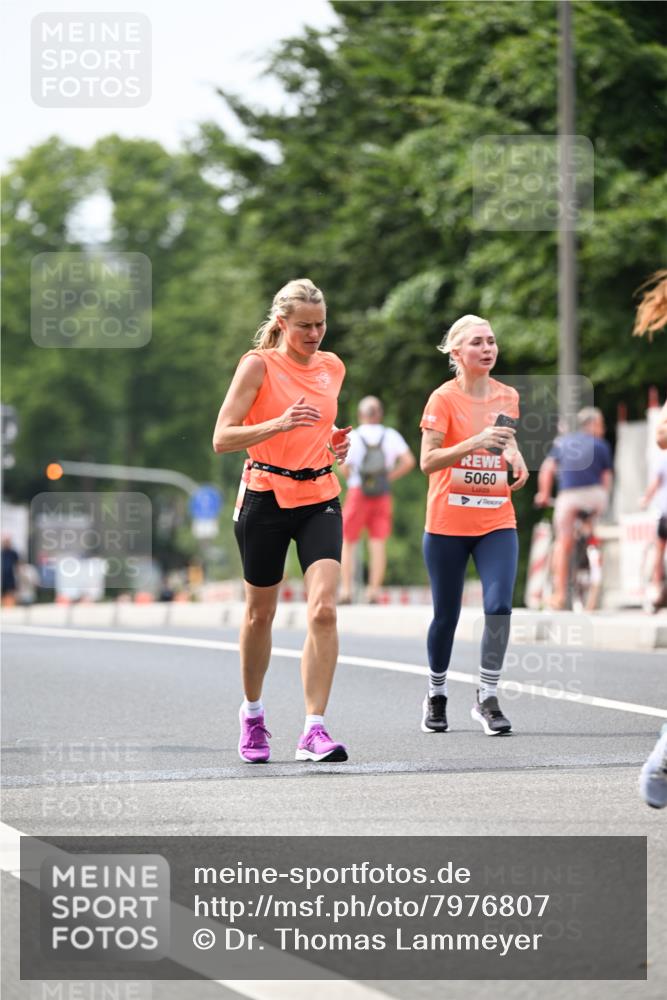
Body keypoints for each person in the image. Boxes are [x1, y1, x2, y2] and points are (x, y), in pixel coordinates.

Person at [212, 278, 352, 765]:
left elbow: (318, 423)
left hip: (320, 495)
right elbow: (222, 437)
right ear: (281, 324)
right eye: (305, 327)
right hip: (264, 496)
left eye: (321, 324)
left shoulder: (332, 367)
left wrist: (334, 442)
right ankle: (252, 714)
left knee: (324, 611)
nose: (315, 334)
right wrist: (277, 424)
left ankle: (314, 728)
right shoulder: (258, 366)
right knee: (259, 615)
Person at [419, 314, 528, 736]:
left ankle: (487, 697)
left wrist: (515, 455)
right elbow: (428, 461)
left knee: (499, 607)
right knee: (445, 615)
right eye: (478, 342)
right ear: (457, 353)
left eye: (492, 341)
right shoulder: (442, 399)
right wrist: (473, 443)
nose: (488, 348)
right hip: (447, 522)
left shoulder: (507, 395)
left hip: (496, 519)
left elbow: (506, 437)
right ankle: (436, 692)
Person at [338, 396, 415, 603]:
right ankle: (373, 591)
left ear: (360, 414)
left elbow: (343, 465)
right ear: (380, 414)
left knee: (348, 541)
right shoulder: (391, 435)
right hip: (382, 493)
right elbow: (408, 461)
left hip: (357, 492)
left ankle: (346, 590)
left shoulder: (353, 436)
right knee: (378, 541)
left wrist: (352, 479)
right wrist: (388, 477)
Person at [535, 407, 613, 610]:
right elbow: (606, 479)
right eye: (601, 424)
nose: (603, 429)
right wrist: (603, 500)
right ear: (593, 424)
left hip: (569, 498)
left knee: (563, 542)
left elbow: (547, 470)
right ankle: (589, 534)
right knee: (591, 526)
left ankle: (559, 595)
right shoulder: (601, 445)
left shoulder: (563, 443)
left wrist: (543, 494)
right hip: (596, 496)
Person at [639, 449, 667, 607]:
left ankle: (656, 585)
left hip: (665, 513)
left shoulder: (663, 458)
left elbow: (655, 483)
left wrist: (645, 499)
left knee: (659, 548)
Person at [1, 535, 20, 607]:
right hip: (2, 576)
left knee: (10, 592)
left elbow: (17, 565)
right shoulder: (2, 552)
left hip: (10, 576)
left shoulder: (13, 553)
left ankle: (10, 606)